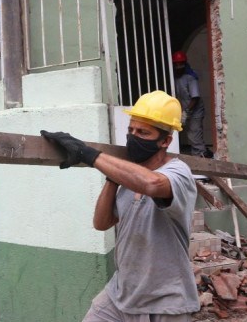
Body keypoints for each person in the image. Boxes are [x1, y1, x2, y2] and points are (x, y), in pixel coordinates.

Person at [41, 90, 200, 322]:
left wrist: (88, 154)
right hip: (119, 295)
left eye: (143, 132)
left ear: (165, 141)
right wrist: (112, 177)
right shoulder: (128, 177)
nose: (133, 137)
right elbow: (101, 223)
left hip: (164, 302)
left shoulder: (177, 172)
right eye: (131, 130)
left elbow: (152, 184)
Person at [172, 51, 208, 158]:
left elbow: (195, 97)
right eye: (176, 64)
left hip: (195, 110)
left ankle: (200, 157)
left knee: (194, 134)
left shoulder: (190, 77)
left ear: (185, 63)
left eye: (181, 64)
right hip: (183, 108)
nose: (178, 66)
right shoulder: (174, 76)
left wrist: (186, 112)